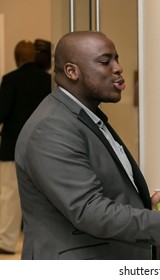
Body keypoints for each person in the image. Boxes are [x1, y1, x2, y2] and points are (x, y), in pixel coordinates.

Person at [14, 31, 160, 260]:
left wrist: (149, 205)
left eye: (116, 59)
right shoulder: (51, 127)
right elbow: (88, 209)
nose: (118, 68)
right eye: (106, 62)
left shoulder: (86, 118)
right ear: (71, 71)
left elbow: (107, 193)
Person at [0, 40, 51, 254]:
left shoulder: (10, 79)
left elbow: (2, 112)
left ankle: (6, 241)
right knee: (42, 196)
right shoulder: (47, 81)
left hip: (12, 146)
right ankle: (44, 242)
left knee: (9, 194)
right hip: (42, 147)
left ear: (17, 57)